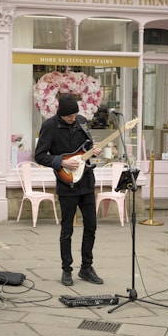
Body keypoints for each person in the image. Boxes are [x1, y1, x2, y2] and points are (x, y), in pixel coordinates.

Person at [35, 94, 103, 286]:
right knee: (67, 230)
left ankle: (86, 268)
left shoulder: (81, 121)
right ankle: (67, 270)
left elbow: (87, 147)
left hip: (87, 182)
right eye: (70, 116)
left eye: (75, 115)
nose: (74, 118)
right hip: (66, 184)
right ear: (61, 114)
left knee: (91, 226)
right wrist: (62, 162)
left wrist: (94, 149)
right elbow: (39, 155)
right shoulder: (49, 126)